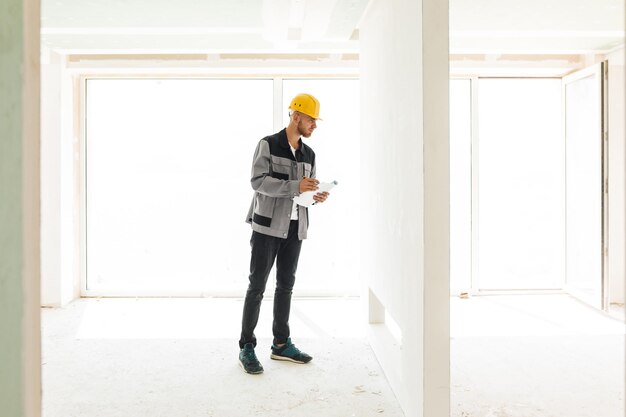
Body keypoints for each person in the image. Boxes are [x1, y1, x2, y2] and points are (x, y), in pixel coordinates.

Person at [238, 93, 329, 374]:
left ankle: (280, 345)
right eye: (311, 120)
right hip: (267, 226)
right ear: (296, 116)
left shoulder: (309, 154)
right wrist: (295, 186)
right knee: (257, 287)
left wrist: (316, 196)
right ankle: (247, 347)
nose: (314, 126)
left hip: (294, 226)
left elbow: (304, 190)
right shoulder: (268, 144)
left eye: (315, 122)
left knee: (286, 286)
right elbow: (258, 181)